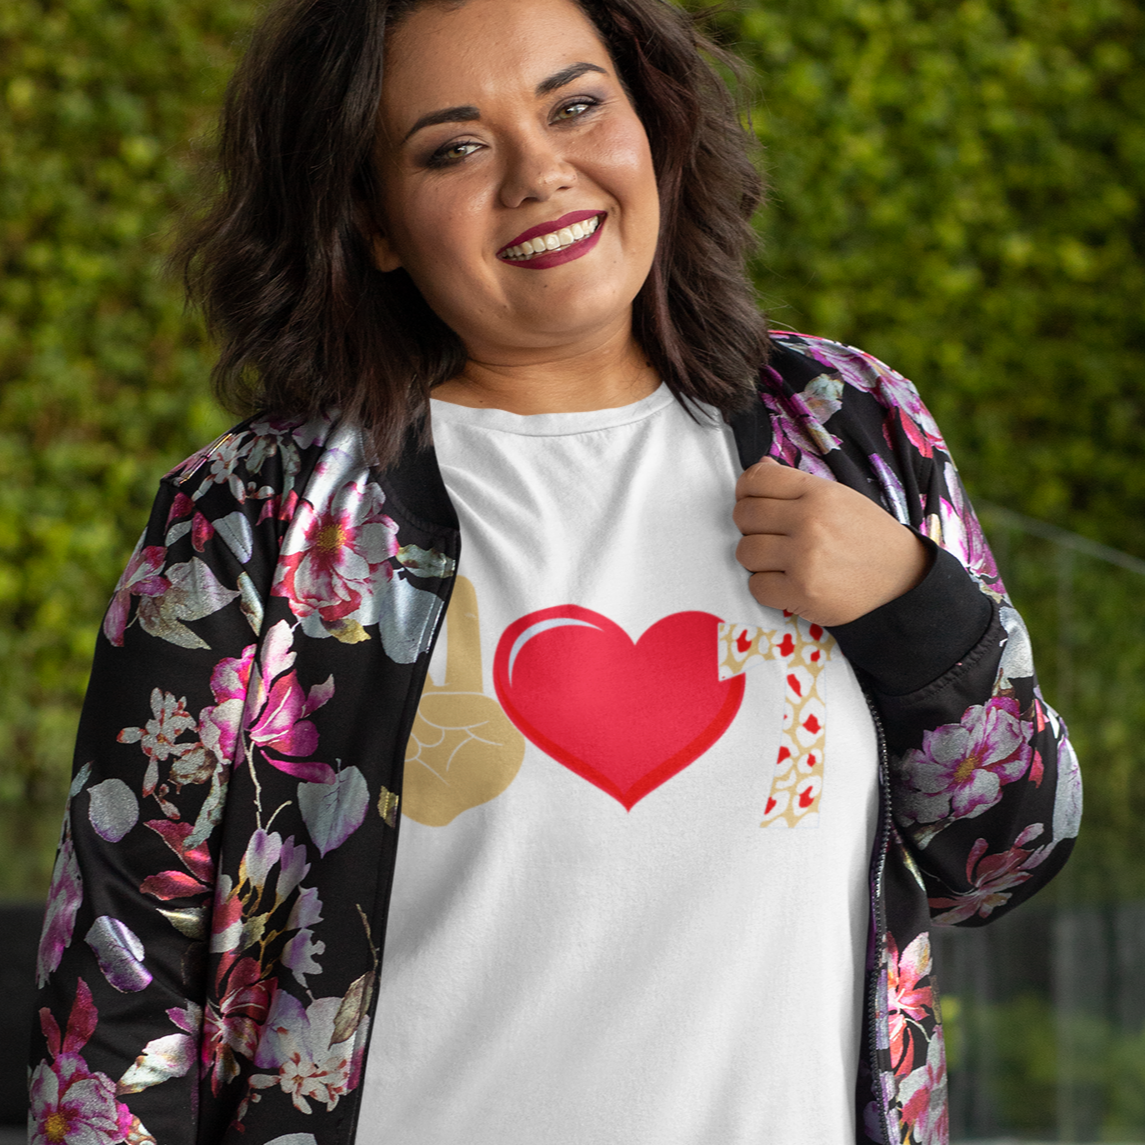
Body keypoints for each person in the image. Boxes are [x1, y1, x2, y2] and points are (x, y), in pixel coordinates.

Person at [28, 0, 1082, 1142]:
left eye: (576, 105)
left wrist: (913, 606)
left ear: (653, 127)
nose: (540, 172)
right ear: (372, 220)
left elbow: (1002, 857)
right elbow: (114, 998)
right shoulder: (251, 518)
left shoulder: (847, 428)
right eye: (453, 147)